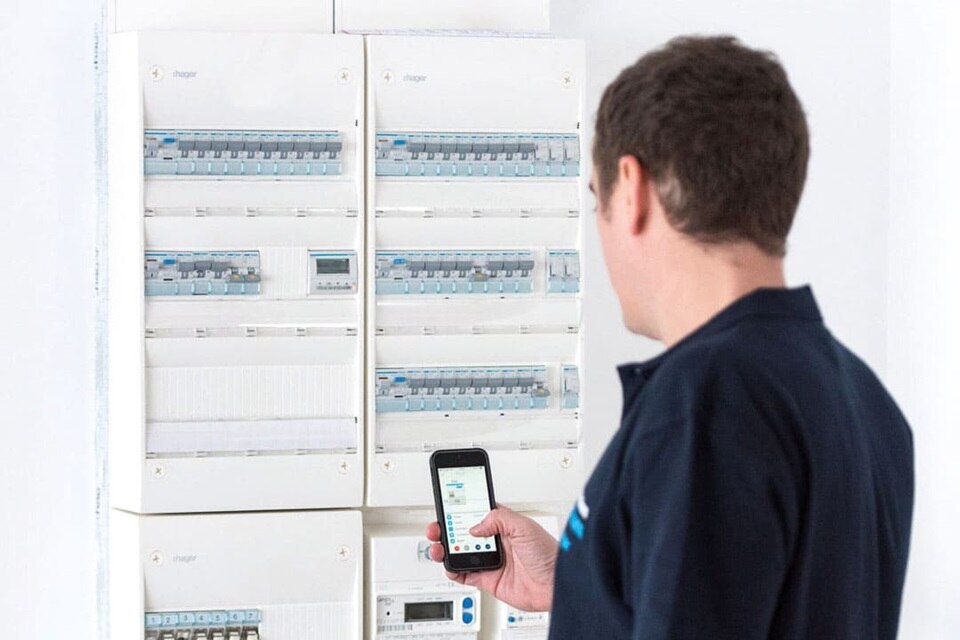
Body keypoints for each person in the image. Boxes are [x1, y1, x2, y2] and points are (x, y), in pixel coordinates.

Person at [425, 35, 914, 639]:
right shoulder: (865, 401)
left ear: (631, 190)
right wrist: (578, 587)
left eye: (596, 201)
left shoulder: (705, 403)